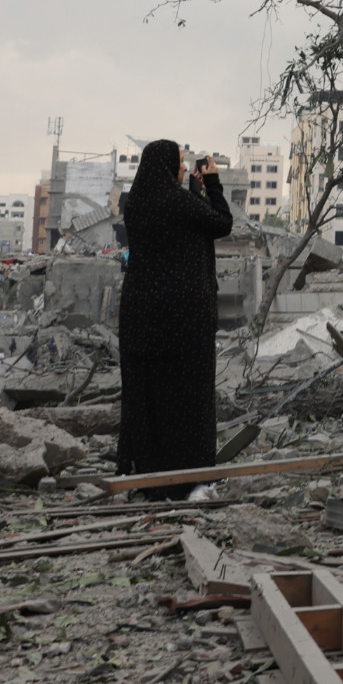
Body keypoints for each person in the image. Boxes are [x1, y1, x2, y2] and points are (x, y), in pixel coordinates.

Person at [116, 139, 233, 497]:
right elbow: (220, 223)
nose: (183, 169)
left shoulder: (134, 204)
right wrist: (211, 183)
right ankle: (188, 474)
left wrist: (192, 191)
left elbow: (185, 226)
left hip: (140, 315)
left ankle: (148, 471)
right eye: (180, 164)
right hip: (184, 318)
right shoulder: (179, 203)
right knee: (187, 395)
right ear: (166, 166)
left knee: (148, 392)